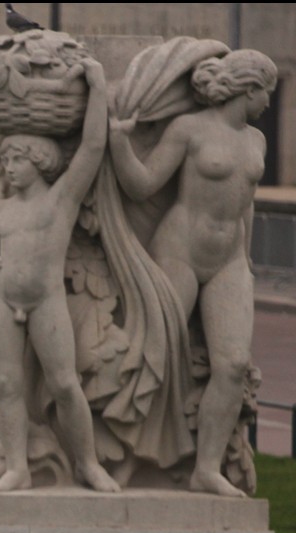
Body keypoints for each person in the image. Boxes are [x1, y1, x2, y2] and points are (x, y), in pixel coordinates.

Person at [106, 49, 277, 497]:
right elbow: (143, 184)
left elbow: (247, 201)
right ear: (247, 88)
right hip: (179, 249)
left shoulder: (256, 141)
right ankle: (124, 458)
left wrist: (248, 257)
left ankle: (207, 468)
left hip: (229, 259)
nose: (268, 103)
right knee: (154, 356)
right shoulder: (189, 129)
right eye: (266, 93)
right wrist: (121, 143)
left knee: (233, 364)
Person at [0, 56, 120, 494]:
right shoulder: (2, 209)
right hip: (2, 297)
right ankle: (16, 467)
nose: (9, 167)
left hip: (45, 298)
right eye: (5, 160)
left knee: (63, 383)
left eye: (16, 159)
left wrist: (97, 86)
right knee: (6, 383)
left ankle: (88, 464)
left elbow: (93, 147)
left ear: (38, 161)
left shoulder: (61, 200)